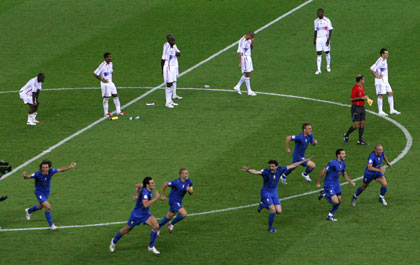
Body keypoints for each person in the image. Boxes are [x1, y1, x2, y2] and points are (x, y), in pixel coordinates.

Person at [242, 158, 311, 232]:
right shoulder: (265, 171)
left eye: (272, 166)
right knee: (273, 211)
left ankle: (263, 205)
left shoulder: (280, 170)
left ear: (276, 167)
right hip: (266, 193)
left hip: (274, 193)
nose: (271, 168)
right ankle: (270, 228)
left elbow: (293, 165)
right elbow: (256, 172)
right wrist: (248, 170)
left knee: (279, 211)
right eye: (270, 166)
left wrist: (304, 161)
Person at [110, 177, 161, 255]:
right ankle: (114, 242)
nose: (154, 184)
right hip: (136, 216)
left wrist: (137, 196)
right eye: (152, 183)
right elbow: (145, 204)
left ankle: (151, 247)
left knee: (156, 226)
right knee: (126, 230)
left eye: (153, 182)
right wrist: (156, 198)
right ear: (147, 185)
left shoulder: (146, 187)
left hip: (146, 214)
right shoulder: (145, 193)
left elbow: (137, 185)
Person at [23, 160, 77, 230]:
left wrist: (70, 166)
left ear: (49, 168)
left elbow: (61, 169)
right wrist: (25, 176)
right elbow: (28, 176)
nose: (45, 169)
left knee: (40, 207)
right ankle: (51, 225)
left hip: (46, 192)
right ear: (41, 168)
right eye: (43, 167)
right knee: (48, 207)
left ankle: (29, 211)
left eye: (46, 167)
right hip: (39, 192)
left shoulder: (51, 171)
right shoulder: (37, 174)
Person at [316, 149, 355, 221]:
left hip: (336, 184)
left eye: (345, 153)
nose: (344, 155)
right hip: (329, 184)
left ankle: (329, 216)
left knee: (339, 201)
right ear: (338, 155)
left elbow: (344, 174)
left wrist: (350, 182)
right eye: (343, 154)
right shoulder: (332, 163)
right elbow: (322, 172)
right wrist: (318, 182)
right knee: (336, 202)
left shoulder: (343, 163)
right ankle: (324, 194)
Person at [158, 168, 193, 233]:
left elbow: (191, 193)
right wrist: (162, 195)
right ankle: (171, 224)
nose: (187, 174)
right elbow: (165, 184)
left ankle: (158, 228)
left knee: (168, 217)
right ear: (181, 174)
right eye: (185, 173)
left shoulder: (189, 182)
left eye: (187, 173)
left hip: (179, 202)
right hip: (173, 201)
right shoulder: (176, 182)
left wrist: (189, 190)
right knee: (184, 214)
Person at [93, 52, 126, 117]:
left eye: (111, 57)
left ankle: (118, 111)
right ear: (105, 58)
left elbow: (111, 72)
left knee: (115, 95)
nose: (111, 58)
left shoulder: (111, 64)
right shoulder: (102, 65)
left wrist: (112, 80)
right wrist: (102, 79)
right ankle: (106, 113)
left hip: (110, 82)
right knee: (106, 97)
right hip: (105, 84)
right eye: (109, 57)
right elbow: (95, 73)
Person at [369, 48, 400, 116]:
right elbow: (371, 69)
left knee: (391, 93)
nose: (387, 54)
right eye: (386, 53)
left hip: (385, 80)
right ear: (382, 54)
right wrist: (376, 75)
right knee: (381, 95)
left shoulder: (385, 59)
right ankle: (380, 111)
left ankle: (392, 110)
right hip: (380, 81)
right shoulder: (379, 60)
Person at [343, 74, 369, 145]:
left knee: (362, 123)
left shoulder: (361, 87)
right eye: (363, 79)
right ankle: (346, 135)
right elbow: (352, 98)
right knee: (356, 125)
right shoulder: (355, 88)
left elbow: (361, 95)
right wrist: (361, 98)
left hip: (362, 107)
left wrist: (366, 97)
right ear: (360, 80)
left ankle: (360, 140)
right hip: (356, 108)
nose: (364, 80)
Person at [233, 31, 257, 96]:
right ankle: (249, 90)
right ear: (248, 35)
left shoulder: (249, 40)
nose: (251, 38)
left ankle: (237, 86)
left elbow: (251, 48)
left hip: (249, 57)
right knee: (247, 73)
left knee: (248, 72)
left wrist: (252, 43)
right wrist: (240, 62)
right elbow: (239, 52)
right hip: (244, 58)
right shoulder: (241, 41)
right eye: (251, 37)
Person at [161, 35, 182, 108]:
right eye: (172, 41)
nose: (174, 42)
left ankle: (170, 101)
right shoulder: (167, 48)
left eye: (174, 40)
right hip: (168, 67)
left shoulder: (172, 46)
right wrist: (162, 70)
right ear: (169, 41)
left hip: (172, 67)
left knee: (172, 83)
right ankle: (167, 102)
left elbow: (179, 53)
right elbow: (163, 59)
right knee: (168, 85)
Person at [313, 8, 333, 74]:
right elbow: (315, 30)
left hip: (325, 38)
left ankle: (328, 66)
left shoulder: (327, 20)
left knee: (327, 52)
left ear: (323, 13)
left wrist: (328, 39)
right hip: (318, 38)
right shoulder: (315, 21)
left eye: (320, 12)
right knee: (319, 53)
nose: (319, 14)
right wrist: (314, 39)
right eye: (318, 13)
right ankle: (319, 69)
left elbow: (330, 30)